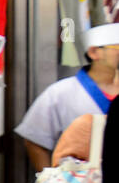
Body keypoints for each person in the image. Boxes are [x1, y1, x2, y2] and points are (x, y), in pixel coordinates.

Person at [15, 22, 119, 173]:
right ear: (94, 52)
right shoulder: (61, 92)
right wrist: (51, 181)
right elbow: (35, 140)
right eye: (116, 47)